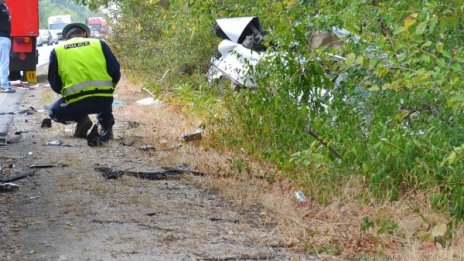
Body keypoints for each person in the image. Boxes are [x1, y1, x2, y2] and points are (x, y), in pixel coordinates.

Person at [48, 23, 120, 142]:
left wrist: (67, 92)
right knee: (104, 97)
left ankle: (81, 119)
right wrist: (110, 87)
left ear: (66, 37)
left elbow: (54, 83)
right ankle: (106, 125)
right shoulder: (99, 44)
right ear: (85, 34)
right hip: (103, 100)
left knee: (53, 111)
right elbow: (115, 70)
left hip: (76, 103)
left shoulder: (57, 50)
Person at [0, 0, 14, 93]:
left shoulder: (4, 6)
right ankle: (4, 85)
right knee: (4, 63)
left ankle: (5, 83)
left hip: (5, 37)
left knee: (3, 62)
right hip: (2, 37)